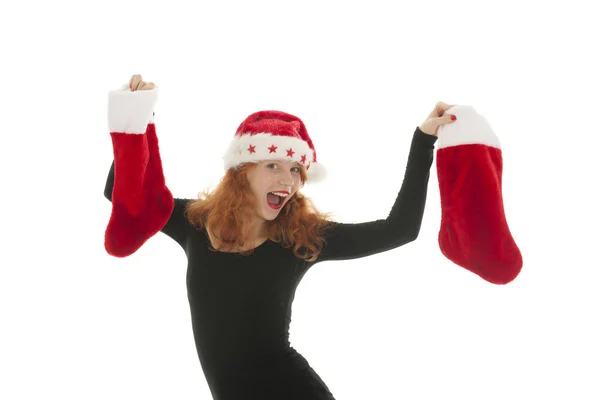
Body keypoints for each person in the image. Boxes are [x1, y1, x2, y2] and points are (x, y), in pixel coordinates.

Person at [104, 74, 457, 400]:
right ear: (243, 172)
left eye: (295, 170)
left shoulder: (301, 239)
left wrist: (423, 140)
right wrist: (137, 118)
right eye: (273, 165)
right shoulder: (196, 221)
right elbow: (120, 194)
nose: (287, 181)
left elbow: (400, 230)